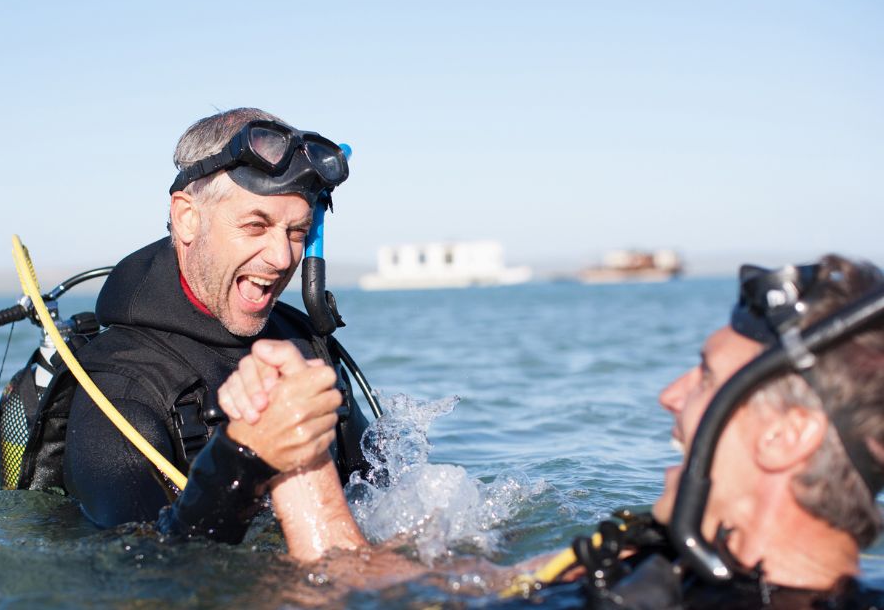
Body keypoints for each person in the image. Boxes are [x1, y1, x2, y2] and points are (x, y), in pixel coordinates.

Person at [226, 254, 884, 607]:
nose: (670, 394)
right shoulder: (657, 560)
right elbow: (377, 583)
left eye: (707, 377)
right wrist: (298, 454)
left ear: (786, 436)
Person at [29, 107, 372, 544]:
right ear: (187, 217)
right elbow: (144, 575)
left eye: (297, 231)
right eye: (255, 225)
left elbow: (385, 496)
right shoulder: (118, 388)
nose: (283, 257)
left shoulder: (302, 342)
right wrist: (246, 456)